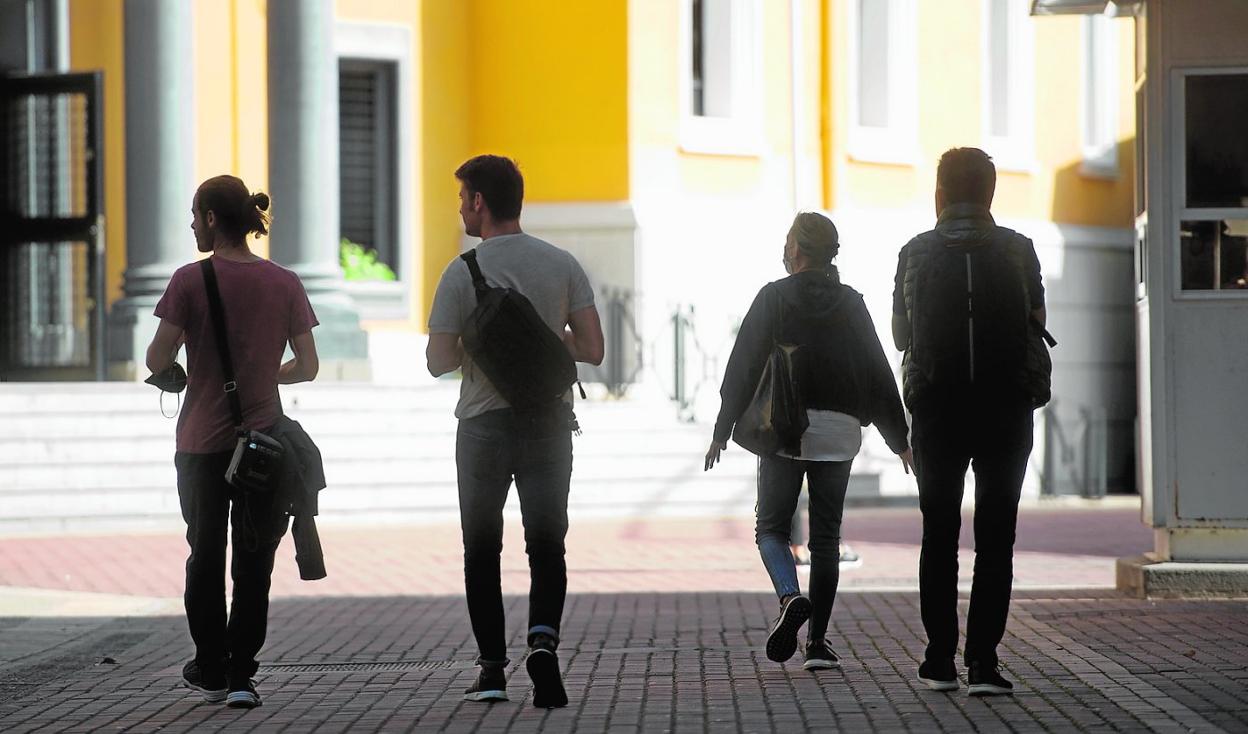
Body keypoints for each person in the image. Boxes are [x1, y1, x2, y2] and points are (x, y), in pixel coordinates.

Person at [426, 155, 604, 708]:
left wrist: (478, 342)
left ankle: (492, 670)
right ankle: (543, 643)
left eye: (462, 198)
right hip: (548, 422)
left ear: (479, 201)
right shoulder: (562, 263)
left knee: (481, 549)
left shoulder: (462, 271)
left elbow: (437, 360)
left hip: (482, 425)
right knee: (546, 542)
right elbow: (593, 349)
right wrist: (549, 338)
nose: (459, 208)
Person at [704, 212, 912, 670]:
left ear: (796, 250)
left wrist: (721, 430)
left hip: (784, 429)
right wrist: (899, 439)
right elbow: (877, 371)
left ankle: (788, 596)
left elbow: (740, 369)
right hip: (839, 431)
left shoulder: (773, 297)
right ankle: (817, 644)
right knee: (826, 538)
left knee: (772, 529)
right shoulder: (852, 303)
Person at [145, 174, 320, 709]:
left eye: (196, 215)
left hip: (201, 445)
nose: (192, 225)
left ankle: (211, 666)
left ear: (213, 219)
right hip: (263, 442)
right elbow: (308, 367)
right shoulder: (285, 281)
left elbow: (155, 359)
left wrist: (181, 370)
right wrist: (266, 376)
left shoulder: (188, 281)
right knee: (253, 559)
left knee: (205, 554)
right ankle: (244, 674)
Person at [892, 147, 1046, 697]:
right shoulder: (1019, 250)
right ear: (991, 194)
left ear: (939, 194)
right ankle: (983, 661)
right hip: (1006, 411)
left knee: (938, 537)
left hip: (937, 411)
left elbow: (901, 336)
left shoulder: (914, 254)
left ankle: (939, 660)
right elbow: (1038, 323)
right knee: (996, 538)